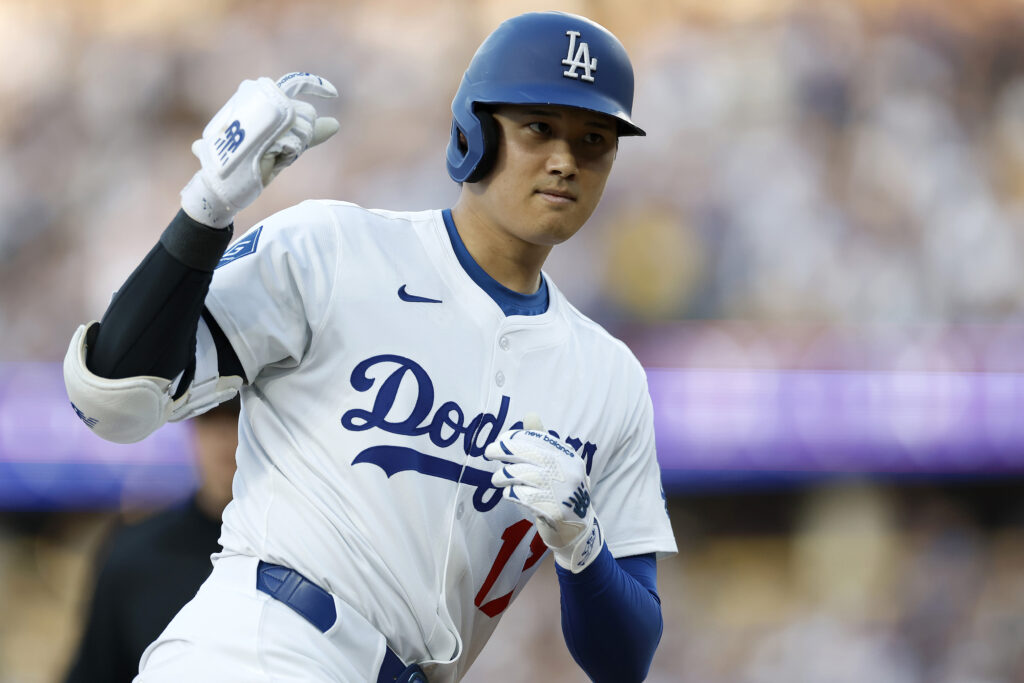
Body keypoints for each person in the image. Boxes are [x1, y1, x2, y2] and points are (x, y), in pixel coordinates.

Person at [63, 11, 676, 683]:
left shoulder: (609, 377)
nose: (566, 159)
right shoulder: (336, 247)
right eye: (538, 127)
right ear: (473, 132)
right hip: (264, 647)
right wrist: (204, 212)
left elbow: (626, 661)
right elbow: (113, 399)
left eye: (594, 137)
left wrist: (584, 546)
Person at [64, 398, 240, 683]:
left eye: (239, 417)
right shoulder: (135, 555)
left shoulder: (307, 554)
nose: (225, 436)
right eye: (210, 418)